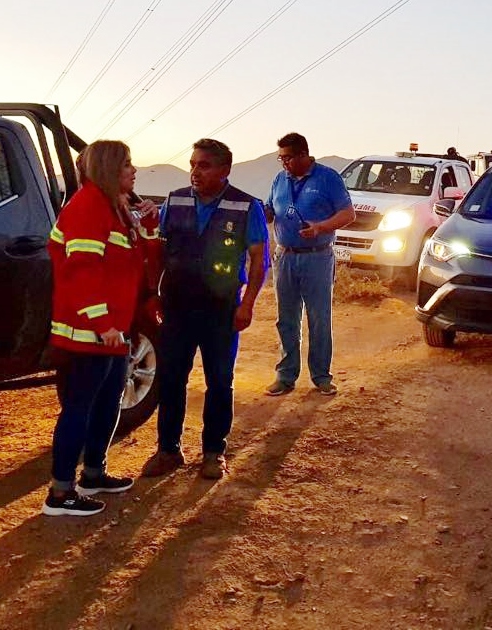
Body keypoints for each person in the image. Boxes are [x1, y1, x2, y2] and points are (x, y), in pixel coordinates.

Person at [43, 140, 160, 517]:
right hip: (89, 332)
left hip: (114, 331)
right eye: (127, 163)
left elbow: (143, 259)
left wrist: (151, 226)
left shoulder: (116, 207)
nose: (134, 169)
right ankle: (60, 494)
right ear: (110, 168)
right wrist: (102, 323)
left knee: (109, 403)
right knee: (79, 408)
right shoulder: (88, 208)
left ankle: (93, 474)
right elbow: (81, 272)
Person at [140, 138, 268, 480]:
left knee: (219, 382)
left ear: (224, 171)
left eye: (204, 165)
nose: (195, 172)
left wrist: (248, 304)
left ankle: (214, 452)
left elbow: (259, 258)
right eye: (193, 164)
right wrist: (153, 293)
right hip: (177, 306)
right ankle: (168, 450)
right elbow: (157, 247)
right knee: (171, 379)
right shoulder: (175, 199)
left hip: (221, 309)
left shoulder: (245, 206)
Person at [264, 132, 355, 397]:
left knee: (318, 318)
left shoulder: (328, 178)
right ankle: (285, 376)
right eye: (280, 158)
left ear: (303, 154)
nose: (284, 164)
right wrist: (265, 213)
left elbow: (348, 214)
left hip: (317, 256)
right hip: (285, 256)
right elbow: (271, 208)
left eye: (288, 158)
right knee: (286, 319)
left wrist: (320, 228)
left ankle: (321, 377)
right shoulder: (280, 179)